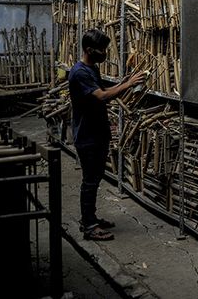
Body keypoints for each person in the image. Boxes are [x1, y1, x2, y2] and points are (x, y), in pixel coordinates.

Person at [69, 29, 144, 241]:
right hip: (87, 135)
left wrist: (124, 81)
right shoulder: (80, 72)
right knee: (90, 180)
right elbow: (101, 96)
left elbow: (102, 90)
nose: (103, 53)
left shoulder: (91, 69)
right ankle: (89, 226)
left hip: (96, 133)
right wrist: (128, 84)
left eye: (104, 49)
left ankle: (90, 218)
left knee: (95, 177)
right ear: (87, 49)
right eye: (99, 49)